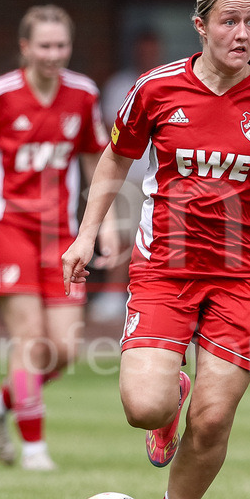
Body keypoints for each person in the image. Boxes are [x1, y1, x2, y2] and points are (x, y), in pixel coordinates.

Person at [61, 0, 250, 499]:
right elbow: (113, 161)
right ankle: (169, 394)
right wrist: (85, 234)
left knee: (211, 418)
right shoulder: (156, 89)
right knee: (143, 407)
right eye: (230, 20)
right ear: (201, 26)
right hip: (165, 268)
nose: (243, 33)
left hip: (244, 276)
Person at [0, 5, 117, 471]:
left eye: (61, 45)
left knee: (66, 349)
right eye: (44, 45)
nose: (54, 54)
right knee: (31, 339)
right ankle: (34, 447)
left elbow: (98, 159)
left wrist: (107, 224)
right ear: (25, 48)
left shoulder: (84, 94)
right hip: (6, 225)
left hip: (61, 232)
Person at [89, 29, 165, 323]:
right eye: (143, 49)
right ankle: (113, 294)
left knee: (155, 239)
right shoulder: (119, 84)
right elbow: (112, 133)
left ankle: (149, 297)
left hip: (161, 177)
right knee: (122, 236)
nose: (147, 55)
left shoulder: (170, 81)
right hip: (128, 174)